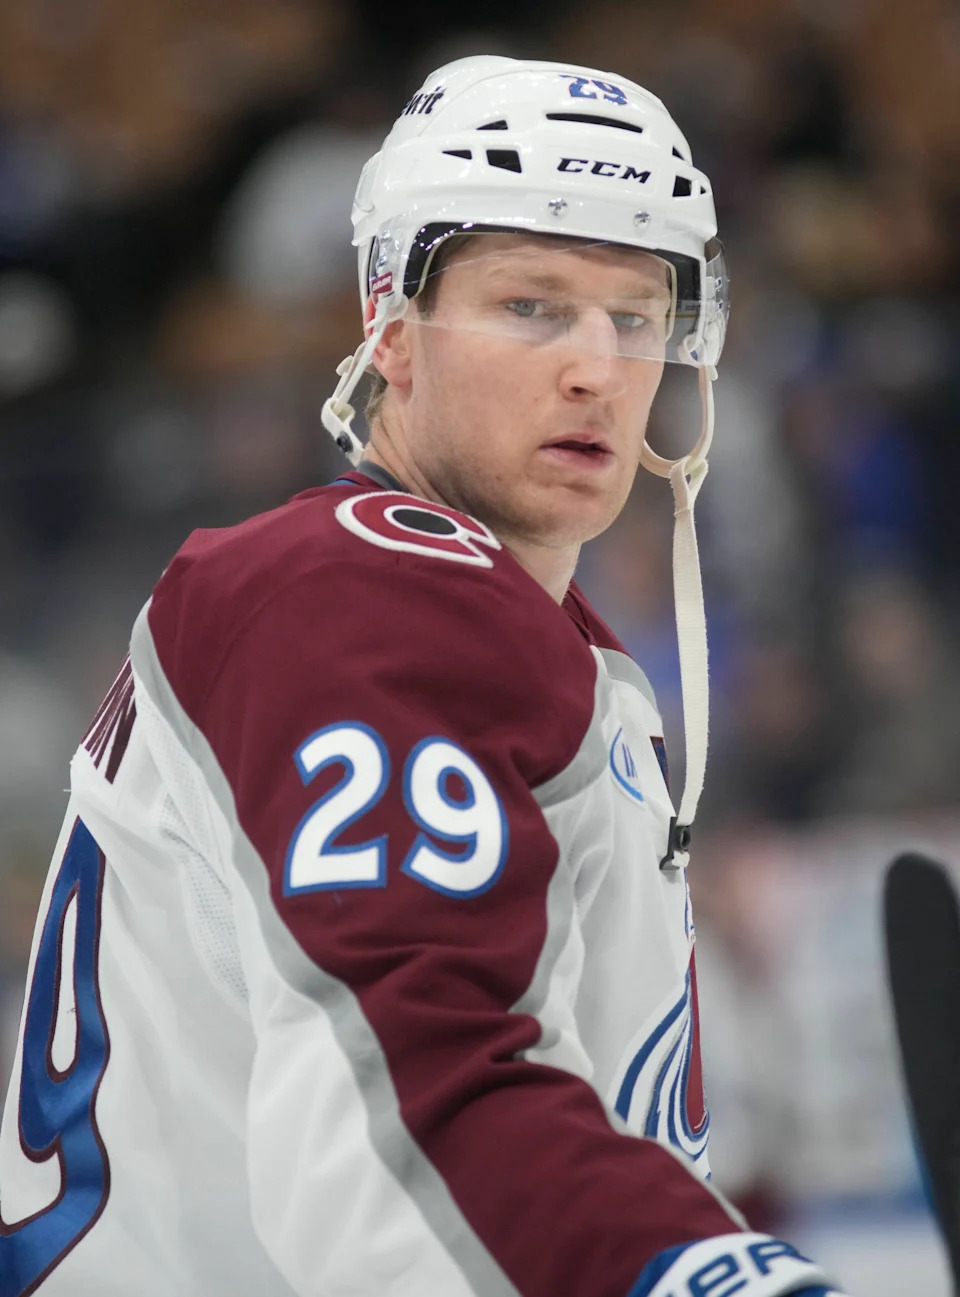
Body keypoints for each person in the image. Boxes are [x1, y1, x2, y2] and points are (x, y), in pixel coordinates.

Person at [0, 56, 847, 1297]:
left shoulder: (520, 637)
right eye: (531, 306)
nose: (597, 367)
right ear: (391, 323)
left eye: (634, 314)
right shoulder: (360, 592)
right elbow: (415, 1099)